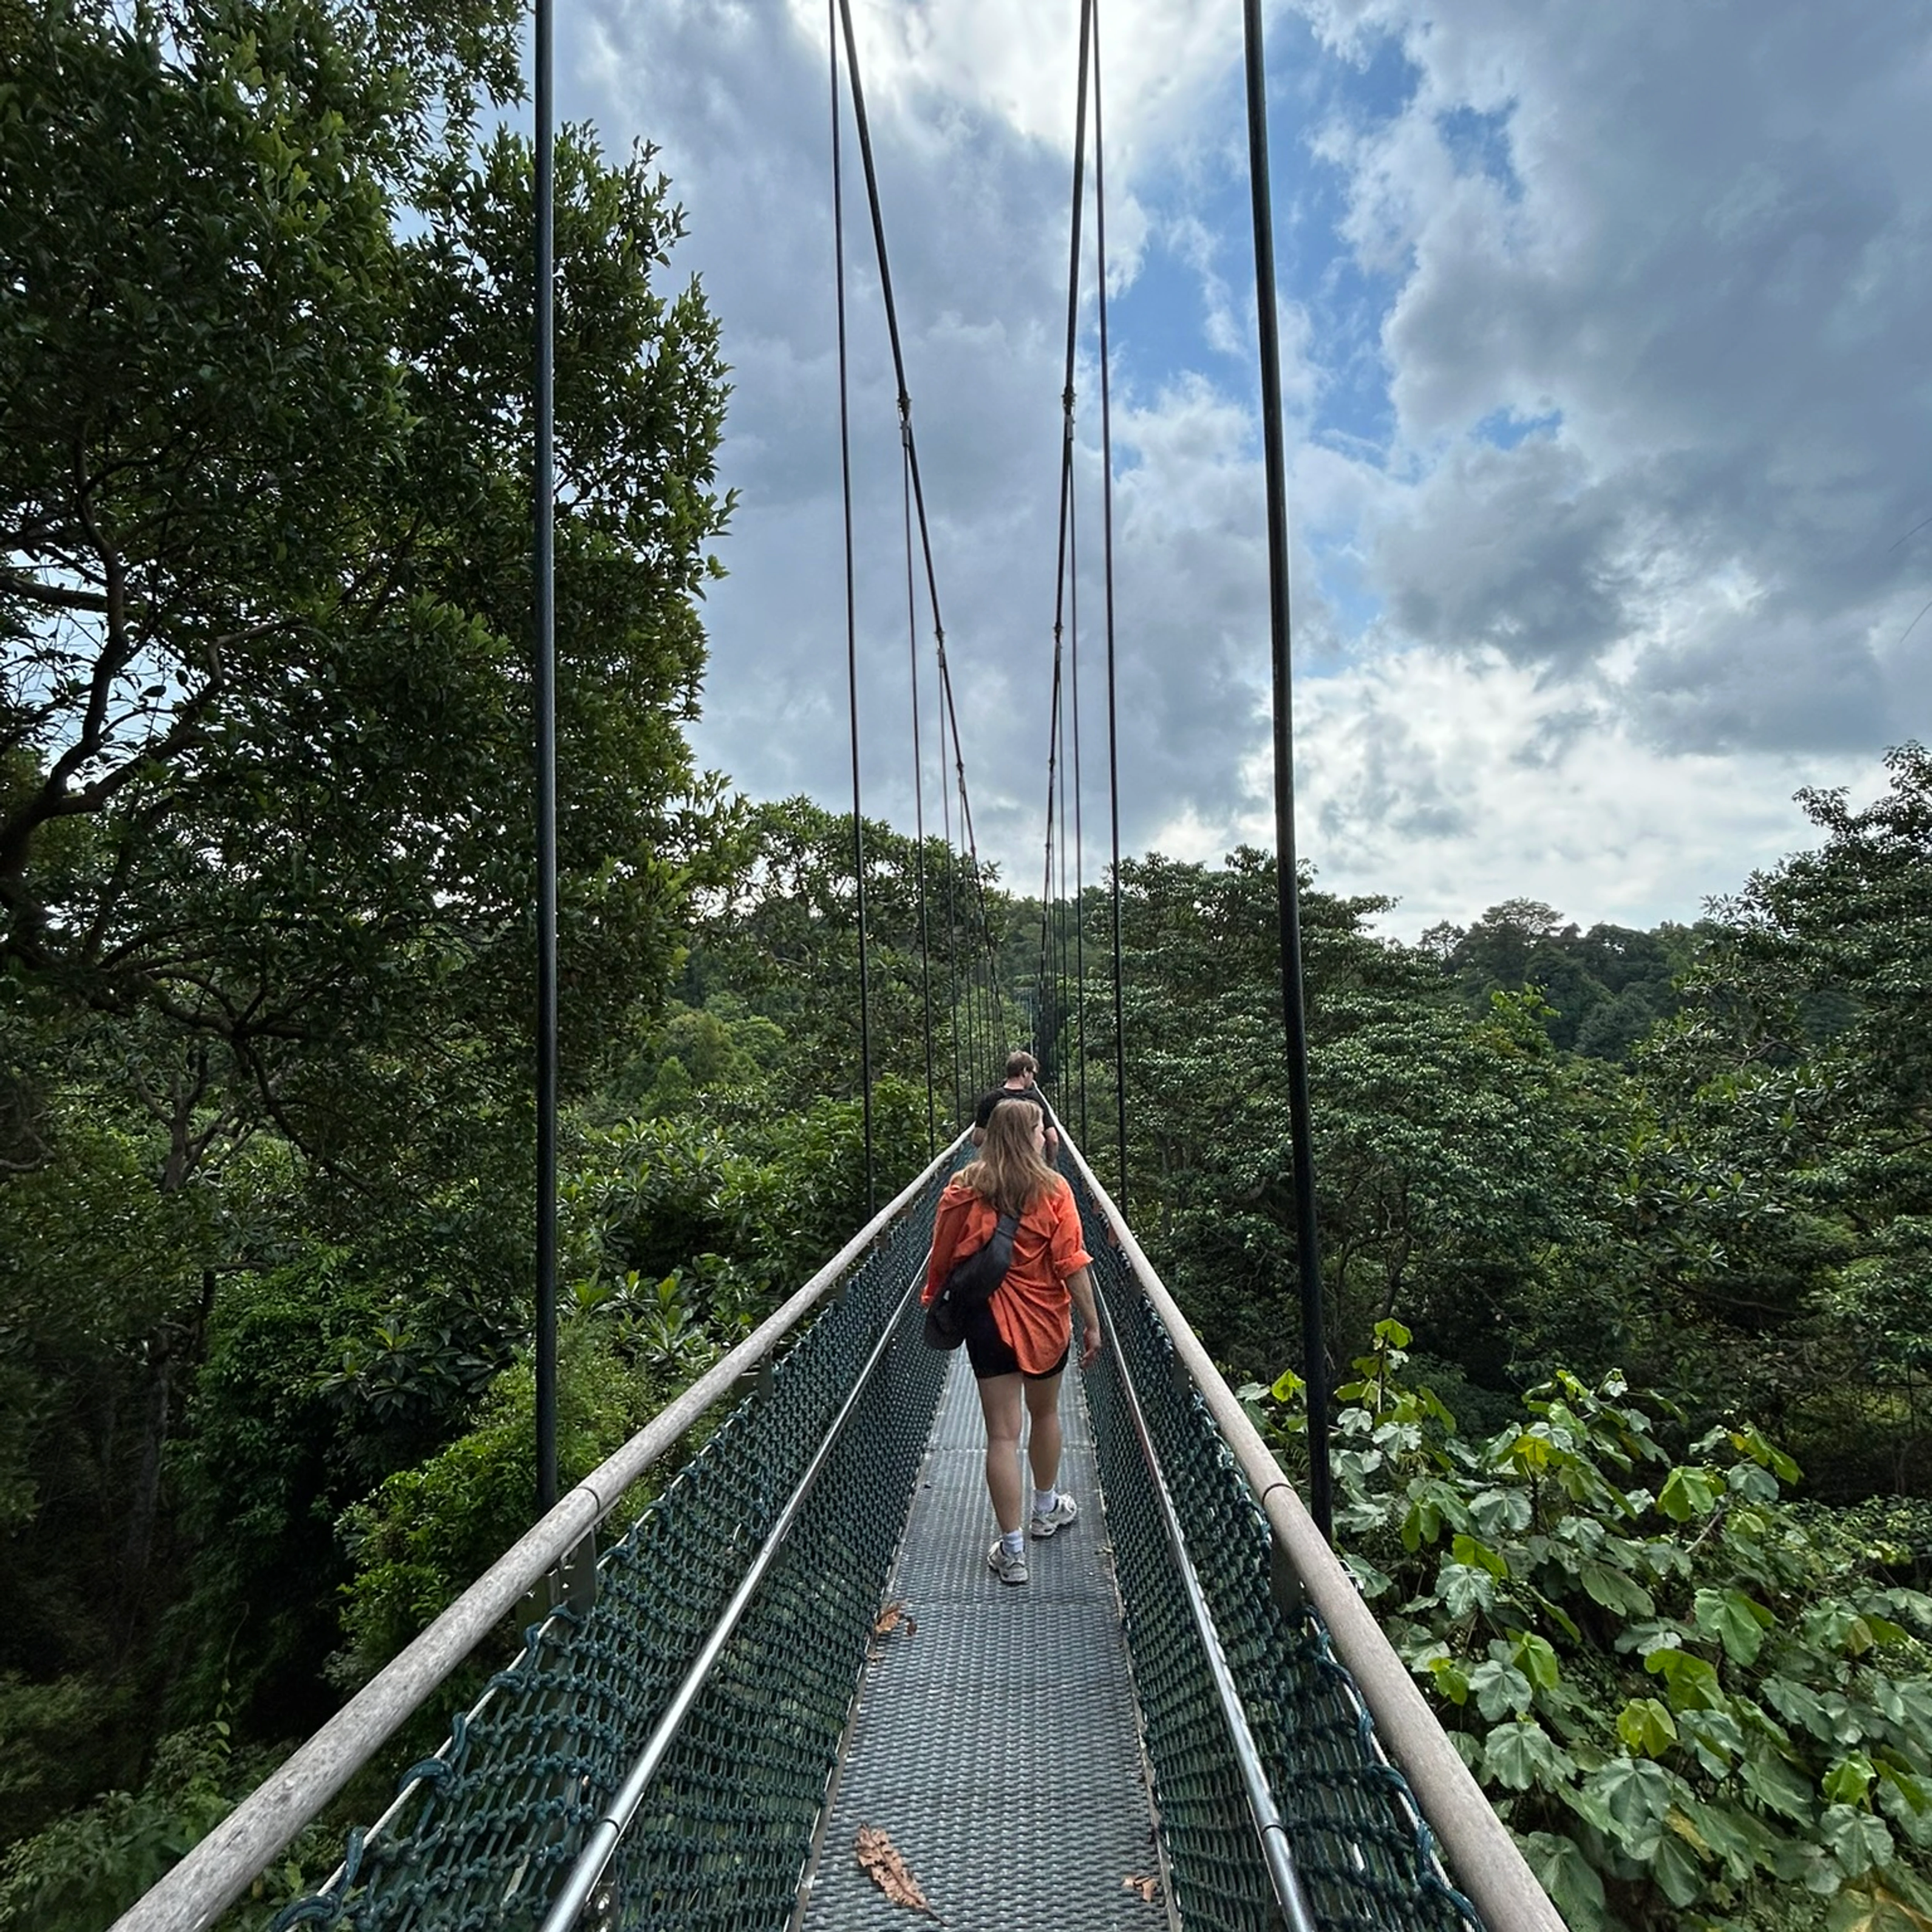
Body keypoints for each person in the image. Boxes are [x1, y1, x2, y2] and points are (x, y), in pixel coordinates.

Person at [923, 1097, 1102, 1585]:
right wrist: (1091, 1322)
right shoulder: (1055, 1190)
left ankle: (1013, 1550)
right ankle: (1045, 1509)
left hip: (987, 1322)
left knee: (1001, 1435)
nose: (1047, 1134)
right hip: (1046, 1321)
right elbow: (1071, 1263)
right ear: (1031, 1135)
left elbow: (942, 1252)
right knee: (1044, 1414)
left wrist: (933, 1298)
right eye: (1043, 1127)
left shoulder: (964, 1186)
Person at [971, 1048, 1060, 1163]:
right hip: (1029, 1167)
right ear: (1025, 1072)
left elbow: (977, 1139)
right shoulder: (1035, 1100)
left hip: (998, 1167)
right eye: (1033, 1073)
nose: (1033, 1078)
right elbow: (1053, 1140)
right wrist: (1048, 1166)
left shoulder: (990, 1099)